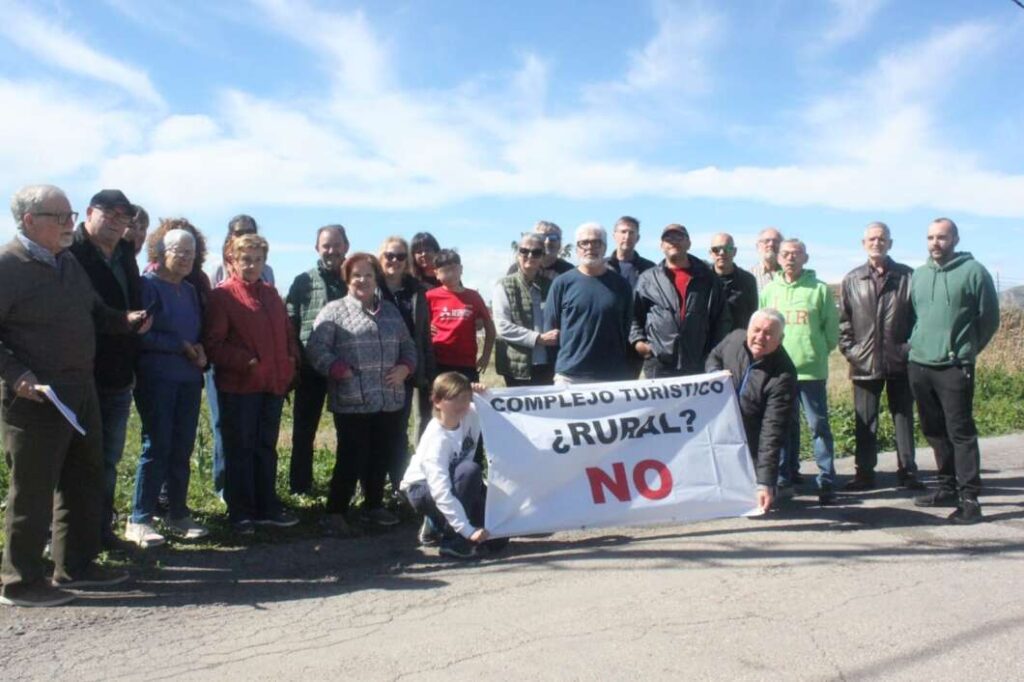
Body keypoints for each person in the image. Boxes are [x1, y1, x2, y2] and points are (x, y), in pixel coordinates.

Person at [1, 184, 149, 607]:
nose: (70, 224)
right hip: (35, 398)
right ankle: (20, 581)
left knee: (83, 479)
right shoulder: (8, 265)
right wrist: (16, 375)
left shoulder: (66, 262)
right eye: (61, 217)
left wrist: (124, 319)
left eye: (69, 216)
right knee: (32, 491)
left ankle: (76, 566)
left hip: (80, 391)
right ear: (31, 221)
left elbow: (94, 312)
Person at [306, 253, 416, 534]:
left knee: (381, 454)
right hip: (352, 398)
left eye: (368, 275)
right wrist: (337, 368)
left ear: (376, 278)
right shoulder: (333, 311)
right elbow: (316, 349)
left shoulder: (390, 312)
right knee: (351, 456)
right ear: (347, 278)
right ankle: (336, 511)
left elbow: (409, 347)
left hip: (388, 396)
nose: (363, 280)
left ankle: (374, 507)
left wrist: (405, 368)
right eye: (356, 275)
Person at [204, 233, 298, 533]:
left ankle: (266, 505)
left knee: (265, 447)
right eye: (246, 259)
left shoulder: (270, 294)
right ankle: (240, 511)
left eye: (258, 260)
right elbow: (214, 344)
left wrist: (290, 361)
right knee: (240, 449)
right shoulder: (223, 296)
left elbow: (285, 333)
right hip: (240, 387)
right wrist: (246, 361)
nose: (252, 265)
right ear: (232, 260)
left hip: (272, 384)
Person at [909, 218, 1000, 524]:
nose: (936, 243)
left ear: (956, 239)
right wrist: (913, 347)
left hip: (954, 365)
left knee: (960, 433)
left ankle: (970, 499)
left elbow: (989, 319)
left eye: (942, 237)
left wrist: (967, 351)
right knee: (933, 430)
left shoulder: (974, 272)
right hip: (920, 364)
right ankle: (946, 487)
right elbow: (913, 317)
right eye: (931, 237)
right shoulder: (919, 275)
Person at [68, 189, 142, 549]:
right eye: (108, 213)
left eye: (122, 216)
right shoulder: (71, 252)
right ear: (88, 212)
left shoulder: (126, 252)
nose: (115, 221)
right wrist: (123, 321)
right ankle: (69, 538)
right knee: (76, 461)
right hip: (81, 372)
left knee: (109, 459)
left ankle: (100, 531)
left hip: (118, 371)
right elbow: (78, 311)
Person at [127, 227, 208, 547]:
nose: (186, 258)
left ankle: (177, 513)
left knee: (182, 448)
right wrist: (180, 346)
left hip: (189, 379)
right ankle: (140, 518)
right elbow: (141, 334)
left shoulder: (189, 290)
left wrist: (200, 350)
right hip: (157, 378)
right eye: (179, 251)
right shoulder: (148, 287)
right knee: (156, 446)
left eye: (191, 252)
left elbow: (196, 332)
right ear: (161, 253)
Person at [839, 222, 923, 492]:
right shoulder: (852, 279)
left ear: (890, 243)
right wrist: (852, 352)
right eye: (872, 239)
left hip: (900, 361)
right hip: (864, 363)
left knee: (903, 418)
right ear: (864, 244)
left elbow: (918, 320)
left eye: (882, 239)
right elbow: (844, 323)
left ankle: (908, 472)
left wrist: (908, 349)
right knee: (865, 421)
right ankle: (864, 474)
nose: (877, 243)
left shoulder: (908, 277)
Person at [760, 238, 840, 504]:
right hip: (780, 371)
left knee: (818, 425)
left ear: (806, 258)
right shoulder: (771, 290)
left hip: (811, 371)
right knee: (781, 426)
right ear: (778, 258)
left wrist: (815, 352)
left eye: (796, 254)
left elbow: (831, 332)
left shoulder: (819, 289)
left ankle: (826, 478)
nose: (790, 258)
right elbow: (763, 326)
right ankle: (783, 478)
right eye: (785, 254)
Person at [401, 372, 503, 560]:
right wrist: (466, 531)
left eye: (465, 398)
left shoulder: (471, 414)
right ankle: (452, 541)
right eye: (454, 399)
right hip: (423, 488)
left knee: (497, 539)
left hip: (457, 483)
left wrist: (483, 394)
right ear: (437, 401)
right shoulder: (436, 438)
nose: (461, 404)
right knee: (470, 470)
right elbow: (440, 490)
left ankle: (435, 523)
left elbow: (498, 409)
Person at [706, 309, 797, 513]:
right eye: (756, 330)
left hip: (753, 435)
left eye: (768, 333)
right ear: (747, 330)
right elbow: (714, 356)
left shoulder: (784, 375)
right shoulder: (734, 339)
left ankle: (770, 487)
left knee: (755, 492)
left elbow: (772, 433)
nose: (760, 337)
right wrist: (714, 375)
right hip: (721, 426)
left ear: (780, 339)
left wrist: (764, 483)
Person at [208, 214, 273, 498]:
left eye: (249, 231)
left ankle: (254, 492)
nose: (243, 234)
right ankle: (226, 487)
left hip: (260, 370)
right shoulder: (216, 273)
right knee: (225, 425)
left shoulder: (266, 273)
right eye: (238, 231)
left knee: (255, 435)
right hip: (227, 363)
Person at [284, 225, 349, 495]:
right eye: (326, 246)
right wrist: (294, 360)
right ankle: (300, 486)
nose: (331, 251)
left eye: (336, 245)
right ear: (317, 248)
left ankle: (344, 485)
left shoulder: (356, 277)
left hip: (347, 367)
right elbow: (289, 322)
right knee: (304, 430)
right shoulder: (303, 281)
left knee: (348, 432)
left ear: (346, 246)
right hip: (310, 368)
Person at [630, 224, 731, 378]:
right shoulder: (648, 278)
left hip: (698, 362)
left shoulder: (708, 278)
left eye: (679, 237)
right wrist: (639, 342)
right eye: (668, 238)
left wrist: (714, 353)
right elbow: (633, 315)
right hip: (658, 364)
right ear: (661, 246)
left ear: (689, 243)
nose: (673, 241)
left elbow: (721, 319)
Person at [377, 236, 436, 484]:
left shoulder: (417, 291)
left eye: (401, 256)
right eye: (390, 255)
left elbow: (423, 334)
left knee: (399, 431)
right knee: (374, 432)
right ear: (381, 258)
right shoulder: (372, 286)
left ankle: (400, 483)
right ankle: (371, 487)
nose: (395, 261)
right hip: (375, 369)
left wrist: (426, 370)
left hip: (408, 368)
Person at [545, 222, 633, 385]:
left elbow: (626, 328)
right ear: (577, 248)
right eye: (584, 242)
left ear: (605, 247)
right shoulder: (562, 283)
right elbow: (552, 332)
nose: (589, 247)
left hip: (613, 377)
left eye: (596, 242)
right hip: (570, 377)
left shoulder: (621, 286)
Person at [493, 233, 557, 386]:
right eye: (524, 251)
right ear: (517, 254)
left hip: (549, 364)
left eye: (536, 252)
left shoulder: (553, 285)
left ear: (542, 257)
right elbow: (502, 326)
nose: (530, 255)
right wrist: (537, 338)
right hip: (517, 367)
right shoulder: (504, 285)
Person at [426, 249, 496, 383]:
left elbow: (490, 328)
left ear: (461, 269)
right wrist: (426, 328)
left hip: (467, 363)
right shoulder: (430, 296)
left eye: (454, 269)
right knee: (442, 402)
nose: (451, 274)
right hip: (438, 362)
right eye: (445, 271)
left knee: (467, 402)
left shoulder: (474, 297)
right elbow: (420, 325)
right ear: (437, 274)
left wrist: (486, 355)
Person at [709, 233, 758, 331]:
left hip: (736, 342)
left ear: (735, 252)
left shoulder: (748, 280)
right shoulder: (702, 279)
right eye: (716, 250)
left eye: (727, 248)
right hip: (707, 343)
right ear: (711, 253)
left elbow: (753, 317)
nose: (722, 253)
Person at [507, 220, 574, 279]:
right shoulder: (516, 269)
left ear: (559, 244)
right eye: (542, 237)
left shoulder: (569, 272)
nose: (547, 241)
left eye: (553, 237)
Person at [605, 216, 656, 289]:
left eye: (631, 233)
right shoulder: (602, 266)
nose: (627, 237)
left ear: (637, 238)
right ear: (614, 236)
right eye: (623, 232)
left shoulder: (649, 268)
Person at [751, 227, 783, 292]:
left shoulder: (791, 274)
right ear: (757, 246)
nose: (771, 244)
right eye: (766, 241)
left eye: (776, 241)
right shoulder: (749, 276)